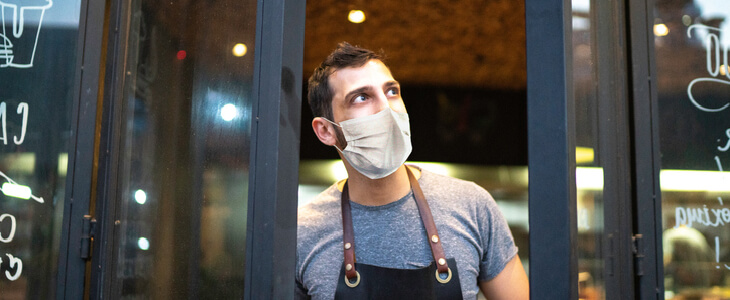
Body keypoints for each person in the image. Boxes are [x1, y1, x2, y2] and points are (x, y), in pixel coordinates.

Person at [296, 42, 529, 299]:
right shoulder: (303, 233)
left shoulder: (472, 206)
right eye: (361, 97)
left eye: (392, 91)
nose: (386, 108)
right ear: (326, 131)